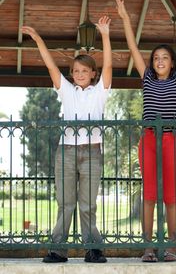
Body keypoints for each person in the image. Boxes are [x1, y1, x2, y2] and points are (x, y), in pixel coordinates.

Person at [21, 16, 112, 263]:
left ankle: (93, 249)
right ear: (72, 75)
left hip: (92, 152)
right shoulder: (67, 91)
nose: (80, 74)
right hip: (67, 151)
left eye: (85, 70)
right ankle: (58, 249)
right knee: (65, 203)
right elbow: (51, 66)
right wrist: (38, 39)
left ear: (93, 73)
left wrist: (104, 34)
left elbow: (109, 66)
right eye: (76, 71)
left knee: (87, 205)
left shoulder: (100, 92)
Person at [115, 0, 176, 262]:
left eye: (164, 58)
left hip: (171, 139)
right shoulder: (146, 77)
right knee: (149, 193)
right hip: (148, 139)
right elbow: (133, 47)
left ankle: (171, 245)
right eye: (156, 57)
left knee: (170, 193)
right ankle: (148, 247)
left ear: (172, 64)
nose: (160, 60)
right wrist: (124, 18)